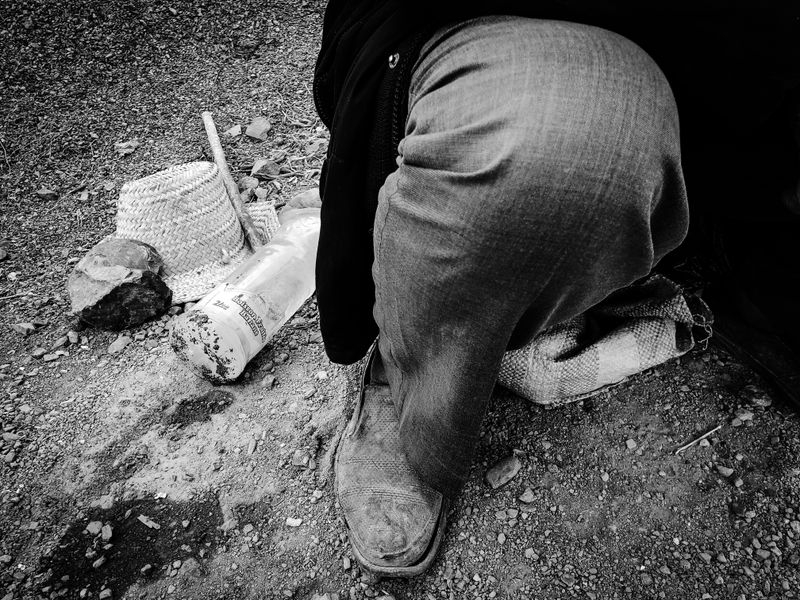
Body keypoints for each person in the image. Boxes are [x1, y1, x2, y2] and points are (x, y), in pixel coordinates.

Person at [312, 1, 800, 577]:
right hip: (525, 30)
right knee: (567, 139)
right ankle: (410, 377)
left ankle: (719, 251)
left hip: (749, 72)